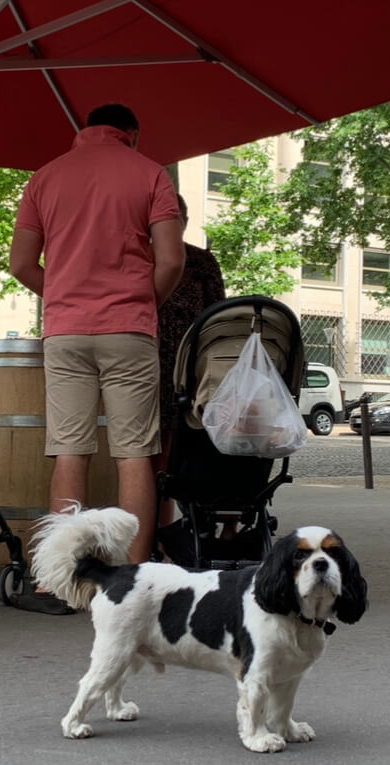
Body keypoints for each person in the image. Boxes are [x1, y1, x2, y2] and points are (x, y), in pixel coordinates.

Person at [9, 102, 184, 610]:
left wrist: (64, 295)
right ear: (131, 133)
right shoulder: (151, 173)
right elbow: (172, 259)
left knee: (69, 449)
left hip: (65, 330)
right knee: (134, 452)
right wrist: (140, 302)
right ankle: (129, 585)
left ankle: (60, 584)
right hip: (130, 328)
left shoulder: (45, 178)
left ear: (82, 131)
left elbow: (21, 263)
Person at [153, 194, 226, 528]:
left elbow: (219, 316)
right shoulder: (137, 258)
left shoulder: (201, 262)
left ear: (184, 221)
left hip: (191, 368)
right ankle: (158, 530)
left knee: (182, 450)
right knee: (151, 454)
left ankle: (175, 530)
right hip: (145, 361)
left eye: (178, 218)